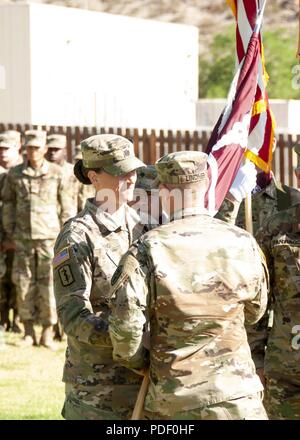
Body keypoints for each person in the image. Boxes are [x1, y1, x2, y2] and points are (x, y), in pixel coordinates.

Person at [109, 150, 269, 420]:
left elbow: (126, 331)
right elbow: (255, 312)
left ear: (162, 189)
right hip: (238, 396)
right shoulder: (243, 241)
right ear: (206, 184)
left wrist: (143, 362)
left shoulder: (147, 248)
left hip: (176, 398)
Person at [53, 134, 146, 420]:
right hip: (98, 388)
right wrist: (127, 339)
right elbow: (73, 316)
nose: (131, 179)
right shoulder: (77, 236)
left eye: (132, 171)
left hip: (142, 381)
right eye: (121, 173)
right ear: (94, 177)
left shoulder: (143, 227)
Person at [2, 130, 75, 348]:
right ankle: (27, 331)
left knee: (50, 284)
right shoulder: (15, 174)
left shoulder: (57, 173)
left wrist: (67, 234)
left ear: (44, 148)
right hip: (23, 238)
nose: (33, 152)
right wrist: (11, 232)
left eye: (36, 147)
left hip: (50, 237)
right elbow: (8, 205)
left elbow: (67, 206)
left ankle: (47, 331)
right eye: (30, 148)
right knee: (23, 282)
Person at [249, 146, 300, 419]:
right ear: (297, 176)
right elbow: (258, 300)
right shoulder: (275, 228)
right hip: (285, 373)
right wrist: (256, 359)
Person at [0, 131, 22, 332]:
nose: (3, 153)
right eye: (1, 149)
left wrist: (14, 236)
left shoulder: (22, 172)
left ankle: (18, 320)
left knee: (18, 278)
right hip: (2, 232)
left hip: (19, 234)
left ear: (18, 148)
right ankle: (2, 318)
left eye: (7, 148)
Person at [73, 144, 95, 211]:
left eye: (83, 162)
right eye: (77, 161)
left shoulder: (95, 178)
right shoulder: (70, 177)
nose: (80, 166)